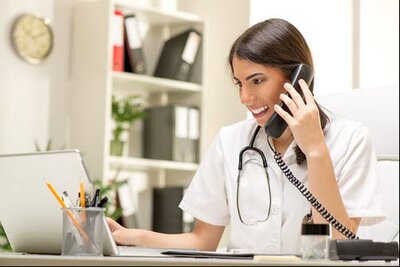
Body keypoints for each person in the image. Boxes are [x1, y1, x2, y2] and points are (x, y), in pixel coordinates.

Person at [107, 18, 385, 254]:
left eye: (257, 80)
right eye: (239, 83)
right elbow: (203, 241)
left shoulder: (351, 140)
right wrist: (128, 237)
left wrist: (314, 150)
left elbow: (338, 244)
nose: (244, 97)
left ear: (298, 78)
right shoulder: (231, 141)